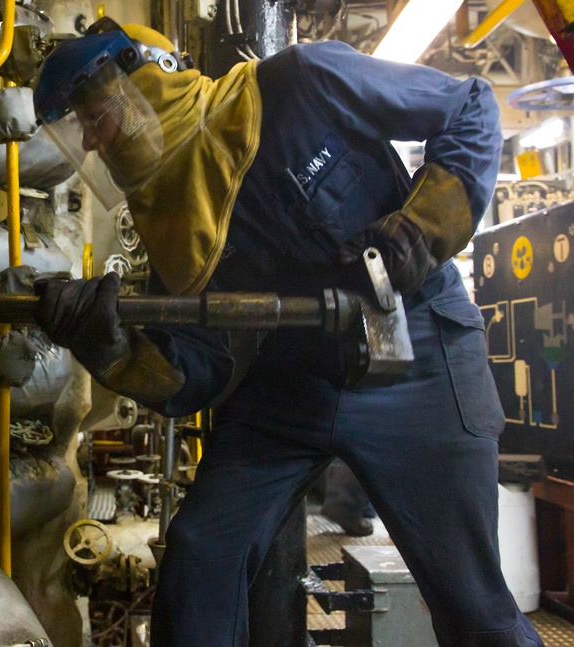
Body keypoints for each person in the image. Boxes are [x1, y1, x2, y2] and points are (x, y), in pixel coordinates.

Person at [30, 17, 544, 647]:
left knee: (472, 605)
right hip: (288, 387)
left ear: (146, 81)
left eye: (95, 114)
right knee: (199, 562)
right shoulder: (172, 222)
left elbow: (470, 109)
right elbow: (195, 371)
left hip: (415, 355)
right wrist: (107, 346)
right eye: (80, 126)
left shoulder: (301, 82)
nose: (90, 140)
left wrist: (418, 232)